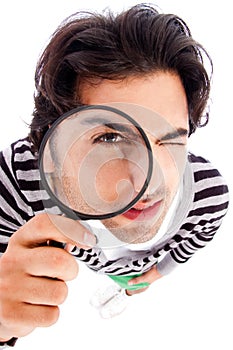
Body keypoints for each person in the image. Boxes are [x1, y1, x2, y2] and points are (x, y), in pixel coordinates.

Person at [0, 3, 229, 347]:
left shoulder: (209, 199)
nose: (148, 186)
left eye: (169, 139)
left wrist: (151, 276)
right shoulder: (17, 182)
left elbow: (193, 241)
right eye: (109, 138)